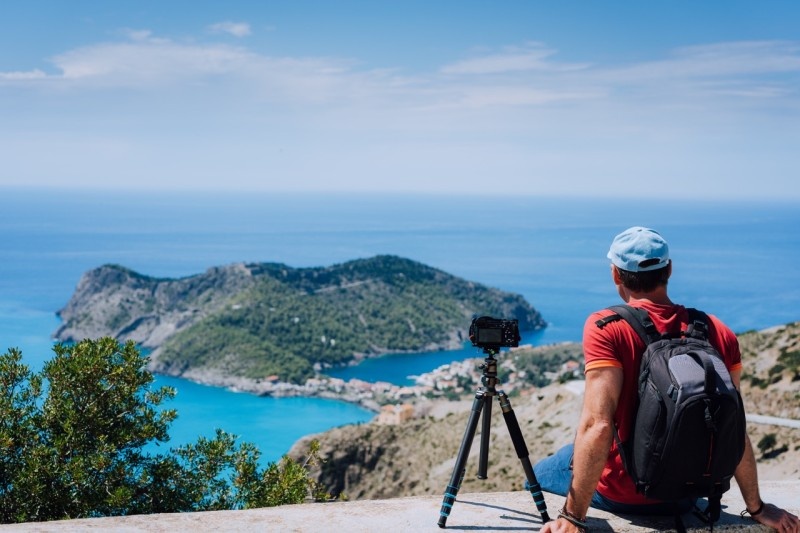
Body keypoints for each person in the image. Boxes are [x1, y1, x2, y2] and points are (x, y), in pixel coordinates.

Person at [534, 226, 799, 533]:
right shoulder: (717, 330)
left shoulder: (606, 327)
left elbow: (598, 425)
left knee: (542, 471)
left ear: (616, 275)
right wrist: (758, 507)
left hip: (625, 495)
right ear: (669, 269)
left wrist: (572, 516)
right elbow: (732, 425)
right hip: (688, 493)